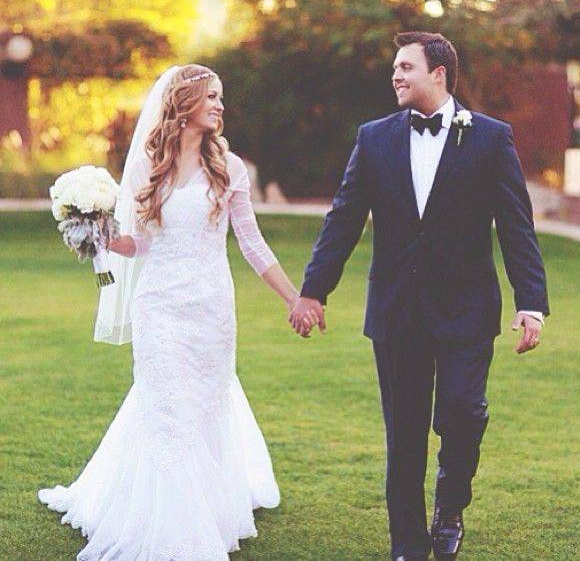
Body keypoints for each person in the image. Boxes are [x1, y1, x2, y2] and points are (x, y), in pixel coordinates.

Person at [289, 32, 549, 560]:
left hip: (469, 312)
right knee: (404, 437)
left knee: (464, 412)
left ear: (440, 73)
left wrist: (531, 301)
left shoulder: (490, 138)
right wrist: (314, 291)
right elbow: (342, 220)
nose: (396, 75)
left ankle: (450, 504)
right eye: (394, 68)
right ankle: (407, 545)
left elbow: (516, 226)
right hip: (397, 312)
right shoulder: (374, 137)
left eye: (406, 66)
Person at [38, 64, 299, 560]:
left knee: (203, 405)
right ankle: (175, 526)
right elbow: (138, 244)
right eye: (212, 97)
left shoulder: (230, 167)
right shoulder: (146, 168)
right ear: (184, 104)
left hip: (211, 308)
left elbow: (252, 243)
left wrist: (293, 297)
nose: (221, 106)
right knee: (164, 408)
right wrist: (97, 233)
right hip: (158, 307)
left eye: (222, 97)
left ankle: (204, 504)